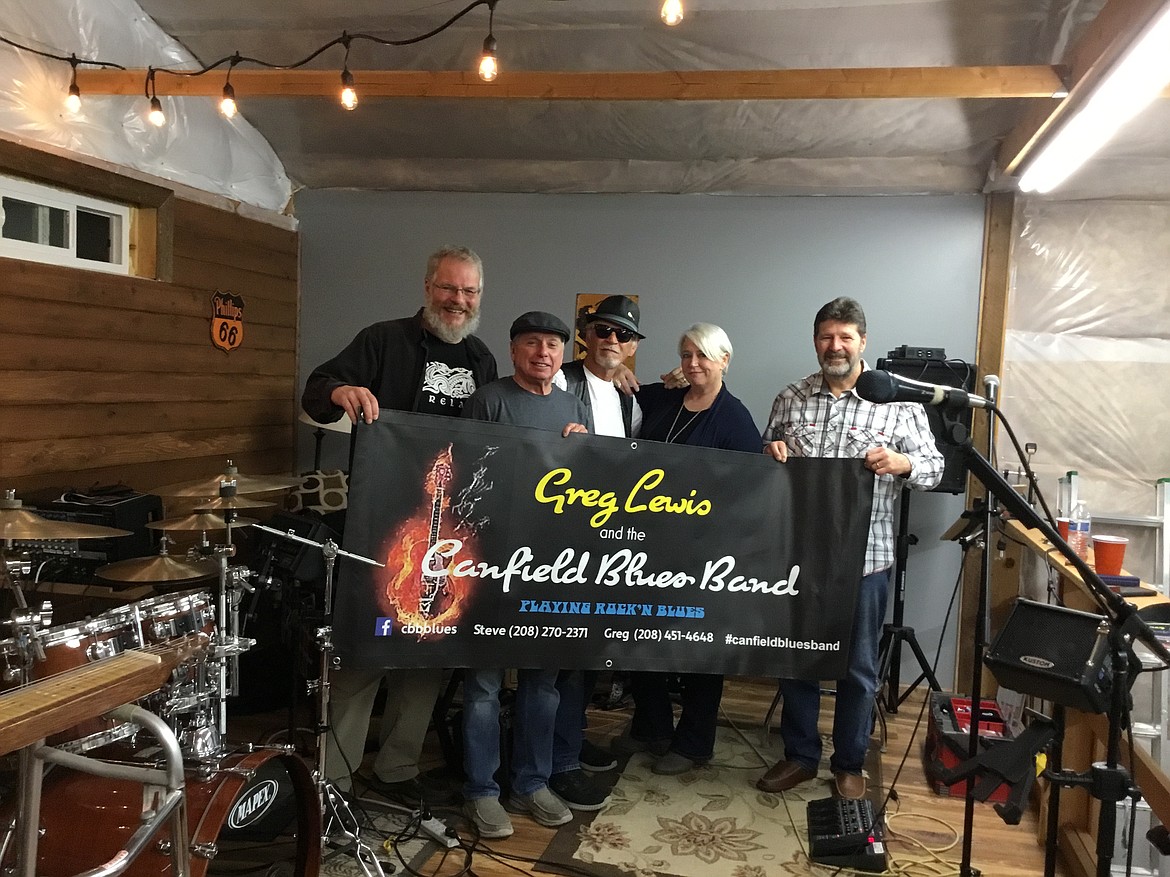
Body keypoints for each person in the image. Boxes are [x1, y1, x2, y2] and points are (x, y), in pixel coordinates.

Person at [300, 244, 497, 805]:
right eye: (448, 288)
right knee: (365, 648)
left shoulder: (482, 358)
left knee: (427, 647)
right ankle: (333, 783)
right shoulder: (382, 339)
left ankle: (398, 768)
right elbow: (318, 386)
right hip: (381, 520)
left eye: (469, 291)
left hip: (453, 527)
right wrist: (341, 391)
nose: (457, 300)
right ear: (427, 287)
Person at [757, 296, 944, 800]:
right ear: (814, 340)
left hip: (868, 558)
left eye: (845, 337)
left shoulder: (899, 400)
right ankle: (799, 756)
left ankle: (848, 762)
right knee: (796, 659)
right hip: (799, 556)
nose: (834, 346)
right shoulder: (790, 397)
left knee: (858, 669)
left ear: (863, 341)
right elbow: (767, 459)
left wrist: (903, 464)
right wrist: (770, 451)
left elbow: (935, 469)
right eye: (825, 336)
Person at [460, 311, 591, 839]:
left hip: (550, 562)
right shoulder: (489, 400)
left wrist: (580, 448)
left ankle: (531, 782)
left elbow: (585, 483)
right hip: (492, 560)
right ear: (513, 350)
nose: (544, 352)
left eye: (554, 345)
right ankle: (480, 790)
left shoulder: (571, 403)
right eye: (532, 343)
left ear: (563, 354)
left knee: (543, 683)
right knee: (485, 684)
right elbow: (468, 473)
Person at [617, 322, 760, 776]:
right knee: (640, 639)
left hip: (703, 555)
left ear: (724, 360)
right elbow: (625, 399)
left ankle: (695, 741)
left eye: (702, 355)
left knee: (700, 650)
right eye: (685, 355)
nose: (693, 364)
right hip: (648, 547)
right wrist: (624, 372)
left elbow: (748, 490)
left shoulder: (734, 417)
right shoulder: (664, 402)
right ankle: (652, 725)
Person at [549, 295, 645, 810]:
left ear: (632, 347)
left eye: (624, 335)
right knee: (562, 654)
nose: (613, 341)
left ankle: (569, 737)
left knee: (589, 652)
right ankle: (558, 761)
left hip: (607, 537)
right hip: (560, 535)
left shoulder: (632, 398)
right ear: (586, 334)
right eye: (603, 331)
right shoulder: (560, 380)